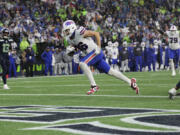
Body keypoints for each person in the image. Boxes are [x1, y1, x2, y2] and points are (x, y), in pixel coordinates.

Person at [62, 20, 139, 95]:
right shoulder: (69, 40)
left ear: (72, 28)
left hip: (95, 52)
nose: (66, 32)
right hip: (91, 55)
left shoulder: (79, 32)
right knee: (110, 71)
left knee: (82, 63)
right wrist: (72, 52)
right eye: (65, 31)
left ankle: (94, 86)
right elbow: (79, 46)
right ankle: (130, 82)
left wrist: (99, 47)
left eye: (67, 30)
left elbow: (96, 34)